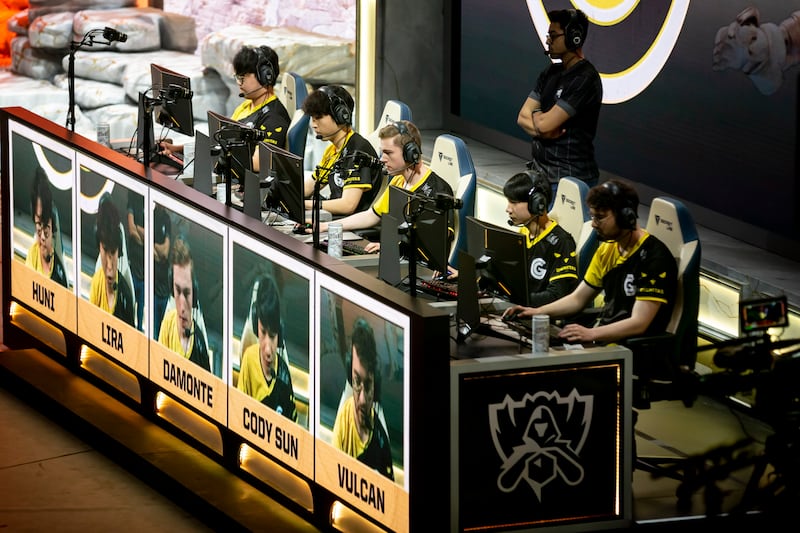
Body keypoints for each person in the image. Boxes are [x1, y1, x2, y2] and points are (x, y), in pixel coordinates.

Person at [504, 179, 677, 346]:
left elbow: (639, 323)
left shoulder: (654, 257)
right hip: (607, 340)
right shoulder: (606, 250)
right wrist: (535, 312)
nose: (593, 224)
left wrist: (590, 334)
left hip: (634, 353)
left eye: (600, 218)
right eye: (592, 217)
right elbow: (578, 299)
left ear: (626, 218)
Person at [310, 120, 454, 254]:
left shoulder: (437, 191)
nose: (382, 159)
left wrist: (391, 247)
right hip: (396, 258)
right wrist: (326, 226)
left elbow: (434, 246)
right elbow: (371, 216)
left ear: (411, 154)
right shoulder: (399, 180)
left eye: (388, 153)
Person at [159, 45, 291, 178]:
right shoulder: (245, 107)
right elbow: (219, 142)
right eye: (237, 77)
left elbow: (258, 163)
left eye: (243, 76)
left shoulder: (274, 119)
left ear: (265, 76)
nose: (239, 83)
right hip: (228, 173)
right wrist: (177, 149)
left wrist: (216, 157)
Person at [516, 8, 603, 192]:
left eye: (553, 36)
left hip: (570, 181)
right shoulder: (550, 73)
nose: (548, 40)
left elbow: (544, 124)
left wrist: (540, 122)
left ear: (574, 37)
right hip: (541, 176)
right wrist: (542, 127)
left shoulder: (585, 78)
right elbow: (523, 118)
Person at [302, 85, 382, 217]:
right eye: (312, 118)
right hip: (332, 217)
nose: (313, 124)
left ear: (341, 115)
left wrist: (305, 204)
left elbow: (347, 205)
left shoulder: (357, 152)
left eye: (319, 117)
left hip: (348, 226)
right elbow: (312, 185)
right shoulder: (333, 150)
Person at [503, 169, 579, 306]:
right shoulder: (523, 234)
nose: (508, 209)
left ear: (537, 203)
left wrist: (518, 301)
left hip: (539, 318)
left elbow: (557, 295)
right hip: (515, 308)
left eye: (513, 203)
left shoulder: (562, 242)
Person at [332, 317, 394, 481]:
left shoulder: (382, 442)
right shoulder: (344, 421)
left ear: (375, 383)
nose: (362, 400)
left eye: (368, 385)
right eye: (357, 382)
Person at [237, 275, 298, 421]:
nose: (268, 350)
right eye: (263, 333)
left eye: (272, 336)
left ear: (279, 335)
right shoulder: (249, 360)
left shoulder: (284, 376)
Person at [158, 236, 211, 372]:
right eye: (177, 290)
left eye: (187, 293)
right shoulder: (167, 326)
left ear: (195, 293)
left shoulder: (200, 343)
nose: (181, 307)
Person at [88, 194, 136, 327]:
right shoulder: (97, 282)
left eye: (113, 252)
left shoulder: (125, 296)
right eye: (105, 250)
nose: (109, 265)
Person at [26, 166, 68, 288]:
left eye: (46, 227)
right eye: (39, 224)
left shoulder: (59, 271)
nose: (43, 236)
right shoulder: (32, 256)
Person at [126, 190, 145, 331]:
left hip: (145, 275)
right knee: (130, 309)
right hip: (132, 268)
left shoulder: (152, 206)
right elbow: (132, 231)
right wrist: (148, 241)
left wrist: (140, 230)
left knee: (140, 312)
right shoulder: (133, 198)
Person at [152, 205, 172, 338]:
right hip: (153, 289)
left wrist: (153, 246)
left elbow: (165, 253)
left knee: (164, 334)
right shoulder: (150, 215)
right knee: (154, 333)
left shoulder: (167, 219)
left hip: (164, 291)